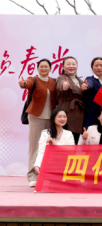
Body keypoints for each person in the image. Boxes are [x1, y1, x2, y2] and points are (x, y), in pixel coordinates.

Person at [18, 59, 56, 187]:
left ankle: (47, 175)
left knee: (49, 147)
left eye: (46, 66)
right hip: (36, 117)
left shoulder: (53, 81)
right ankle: (32, 176)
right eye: (41, 66)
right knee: (35, 147)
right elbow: (27, 84)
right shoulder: (33, 79)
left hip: (51, 118)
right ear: (38, 68)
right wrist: (23, 84)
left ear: (50, 68)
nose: (44, 68)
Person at [32, 109, 76, 187]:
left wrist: (56, 145)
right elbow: (41, 152)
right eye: (59, 116)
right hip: (51, 164)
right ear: (53, 118)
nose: (62, 119)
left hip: (65, 164)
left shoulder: (69, 134)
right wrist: (37, 165)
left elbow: (72, 151)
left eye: (64, 117)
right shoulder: (45, 133)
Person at [55, 57, 85, 142]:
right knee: (64, 140)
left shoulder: (80, 81)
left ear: (77, 66)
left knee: (74, 140)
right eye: (68, 64)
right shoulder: (61, 78)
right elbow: (60, 85)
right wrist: (64, 86)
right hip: (66, 111)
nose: (71, 66)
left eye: (73, 64)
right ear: (63, 67)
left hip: (78, 114)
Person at [82, 57, 102, 129]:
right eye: (96, 65)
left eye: (101, 65)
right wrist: (87, 86)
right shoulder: (91, 79)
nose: (99, 68)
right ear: (92, 68)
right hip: (93, 116)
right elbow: (90, 84)